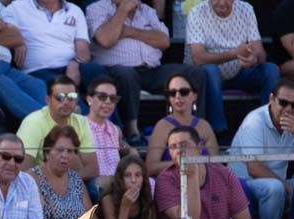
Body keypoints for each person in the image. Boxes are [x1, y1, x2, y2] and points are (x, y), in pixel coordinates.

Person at [86, 0, 205, 146]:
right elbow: (105, 39)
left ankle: (196, 127)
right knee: (127, 75)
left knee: (194, 73)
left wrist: (128, 31)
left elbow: (164, 41)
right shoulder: (97, 8)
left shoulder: (147, 11)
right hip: (117, 70)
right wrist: (123, 10)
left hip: (151, 69)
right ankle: (132, 130)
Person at [229, 78, 294, 219]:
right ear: (271, 99)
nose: (288, 109)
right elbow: (253, 168)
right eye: (283, 102)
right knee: (275, 188)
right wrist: (286, 186)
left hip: (276, 182)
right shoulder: (255, 121)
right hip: (243, 183)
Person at [185, 0, 280, 141]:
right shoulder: (197, 12)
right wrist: (234, 54)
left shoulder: (246, 9)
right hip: (208, 78)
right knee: (210, 71)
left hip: (240, 71)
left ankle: (269, 129)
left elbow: (260, 53)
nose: (221, 2)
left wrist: (254, 59)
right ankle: (219, 132)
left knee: (271, 70)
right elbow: (198, 58)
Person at [155, 124, 252, 219]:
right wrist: (191, 176)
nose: (178, 151)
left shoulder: (225, 174)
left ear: (200, 147)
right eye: (173, 147)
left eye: (184, 145)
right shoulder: (165, 179)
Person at [4, 0, 104, 90]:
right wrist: (16, 39)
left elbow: (83, 50)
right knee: (62, 90)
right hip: (39, 70)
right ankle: (80, 109)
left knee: (97, 74)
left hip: (71, 66)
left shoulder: (74, 10)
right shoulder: (17, 8)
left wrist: (75, 63)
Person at [17, 74, 97, 175]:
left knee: (101, 182)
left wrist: (68, 182)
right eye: (60, 97)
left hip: (73, 179)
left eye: (71, 97)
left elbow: (93, 168)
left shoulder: (82, 122)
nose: (66, 102)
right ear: (48, 100)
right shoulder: (33, 122)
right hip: (40, 181)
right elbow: (23, 169)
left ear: (77, 101)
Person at [145, 71, 219, 177]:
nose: (177, 96)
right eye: (172, 93)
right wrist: (180, 163)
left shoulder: (205, 126)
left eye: (184, 92)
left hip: (204, 182)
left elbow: (217, 164)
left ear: (195, 95)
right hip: (172, 183)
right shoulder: (162, 126)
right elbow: (149, 168)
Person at [30, 125, 93, 219]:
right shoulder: (33, 178)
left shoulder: (75, 179)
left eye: (70, 151)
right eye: (59, 150)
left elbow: (91, 218)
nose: (65, 155)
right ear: (47, 153)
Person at [84, 74, 131, 184]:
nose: (108, 102)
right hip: (93, 183)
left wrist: (129, 150)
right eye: (102, 97)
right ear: (89, 99)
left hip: (117, 182)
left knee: (151, 183)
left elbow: (123, 147)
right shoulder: (80, 127)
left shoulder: (115, 130)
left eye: (113, 98)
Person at [100, 153, 155, 219]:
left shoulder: (146, 198)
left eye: (137, 175)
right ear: (120, 179)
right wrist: (125, 207)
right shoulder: (108, 199)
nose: (133, 180)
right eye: (127, 175)